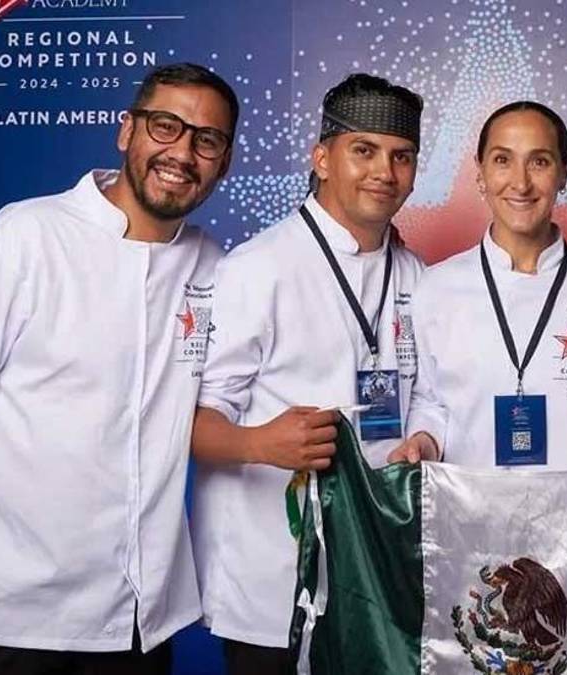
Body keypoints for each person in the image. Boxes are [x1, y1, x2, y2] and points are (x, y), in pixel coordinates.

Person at [0, 63, 235, 675]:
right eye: (165, 126)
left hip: (141, 626)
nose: (182, 153)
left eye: (207, 140)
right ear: (126, 130)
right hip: (8, 618)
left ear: (223, 162)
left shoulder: (214, 266)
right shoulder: (24, 238)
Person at [189, 73, 425, 674]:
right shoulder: (256, 268)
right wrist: (259, 443)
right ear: (322, 158)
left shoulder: (416, 274)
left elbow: (429, 397)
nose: (384, 171)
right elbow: (187, 421)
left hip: (379, 574)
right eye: (364, 150)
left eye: (401, 156)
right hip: (273, 575)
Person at [391, 101, 567, 468]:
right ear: (480, 173)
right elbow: (429, 402)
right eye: (503, 160)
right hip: (469, 500)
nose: (520, 183)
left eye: (539, 162)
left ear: (564, 173)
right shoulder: (436, 286)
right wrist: (423, 442)